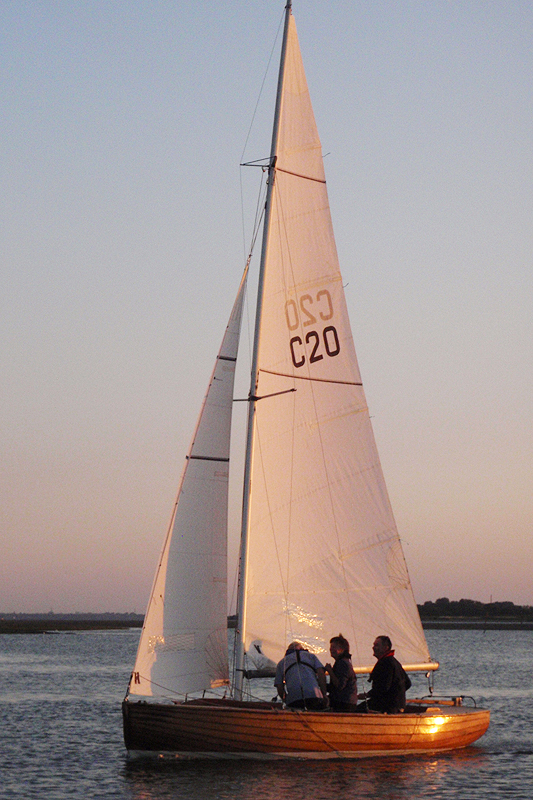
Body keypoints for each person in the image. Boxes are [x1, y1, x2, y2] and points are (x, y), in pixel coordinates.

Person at [357, 635, 411, 713]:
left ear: (386, 648)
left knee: (356, 710)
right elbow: (408, 683)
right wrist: (398, 696)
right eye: (374, 645)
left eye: (377, 645)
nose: (373, 647)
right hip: (398, 705)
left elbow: (384, 687)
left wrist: (367, 695)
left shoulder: (386, 663)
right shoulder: (394, 662)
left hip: (387, 706)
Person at [274, 641, 328, 710]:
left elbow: (279, 686)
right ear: (302, 648)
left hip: (294, 699)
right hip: (314, 696)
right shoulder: (311, 656)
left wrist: (286, 700)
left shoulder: (281, 663)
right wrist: (324, 694)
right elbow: (321, 674)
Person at [324, 633, 358, 711]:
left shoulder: (343, 663)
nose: (331, 649)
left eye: (334, 647)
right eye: (331, 647)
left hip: (344, 704)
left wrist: (330, 671)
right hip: (345, 702)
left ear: (342, 649)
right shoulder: (343, 662)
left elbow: (339, 686)